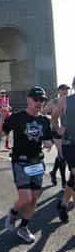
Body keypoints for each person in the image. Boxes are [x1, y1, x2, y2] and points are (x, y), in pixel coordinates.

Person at [0, 86, 53, 243]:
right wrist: (1, 118)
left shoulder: (44, 121)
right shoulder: (18, 117)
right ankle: (13, 213)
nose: (39, 103)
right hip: (21, 162)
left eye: (42, 100)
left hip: (37, 162)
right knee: (26, 199)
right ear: (28, 99)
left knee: (34, 199)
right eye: (36, 99)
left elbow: (48, 140)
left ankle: (23, 227)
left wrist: (49, 143)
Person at [52, 77, 75, 223]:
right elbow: (54, 117)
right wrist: (57, 128)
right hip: (70, 144)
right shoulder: (65, 100)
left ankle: (63, 204)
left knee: (73, 178)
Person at [43, 84, 70, 189]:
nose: (65, 92)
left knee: (62, 155)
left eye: (67, 90)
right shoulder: (54, 101)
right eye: (63, 90)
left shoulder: (70, 101)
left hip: (68, 132)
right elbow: (43, 113)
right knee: (62, 156)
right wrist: (52, 120)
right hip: (56, 131)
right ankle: (63, 182)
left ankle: (53, 172)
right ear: (59, 91)